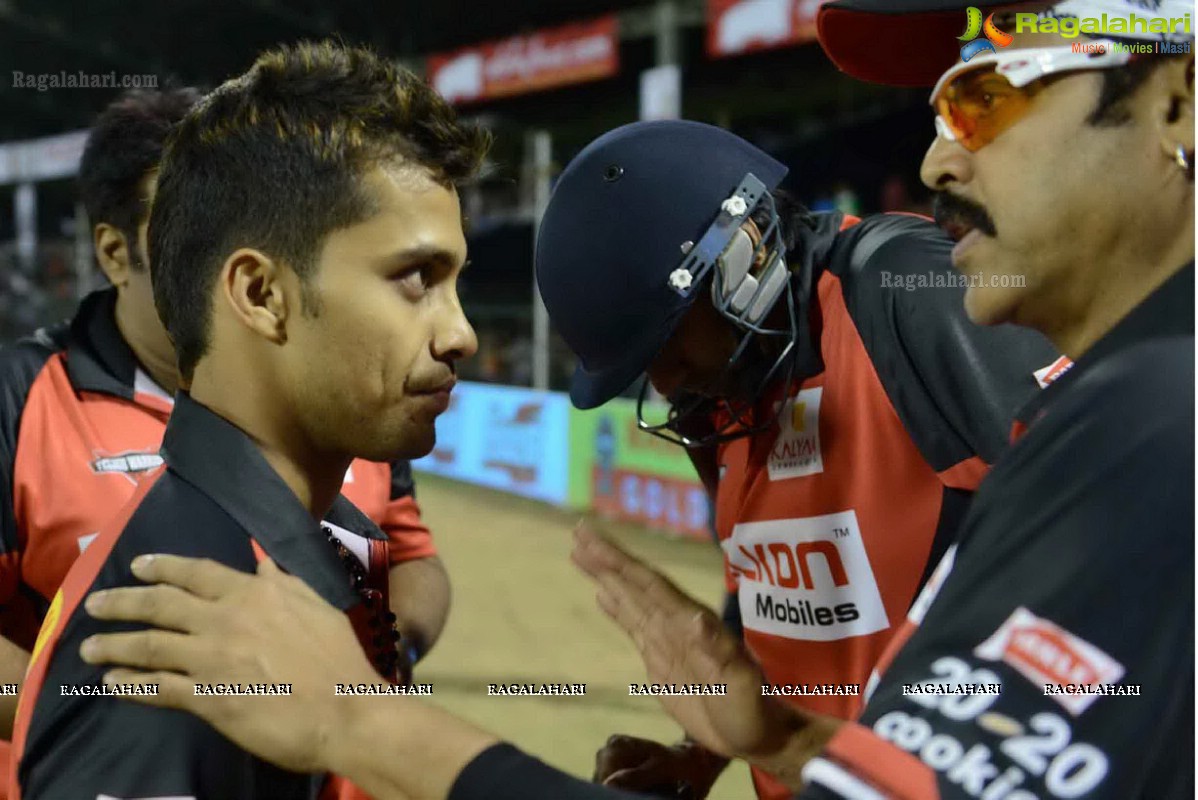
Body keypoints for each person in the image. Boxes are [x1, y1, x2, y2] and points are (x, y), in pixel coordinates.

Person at [72, 1, 1194, 797]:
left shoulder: (928, 306)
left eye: (985, 94)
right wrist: (748, 739)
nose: (941, 157)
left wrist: (367, 719)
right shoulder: (735, 402)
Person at [9, 41, 486, 800]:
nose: (461, 333)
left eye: (454, 280)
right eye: (414, 278)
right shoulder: (183, 643)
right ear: (260, 294)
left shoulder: (334, 530)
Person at [532, 117, 1057, 799]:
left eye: (665, 341)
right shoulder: (719, 393)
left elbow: (1108, 529)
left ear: (741, 248)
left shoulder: (898, 289)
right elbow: (762, 596)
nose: (662, 383)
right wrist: (705, 748)